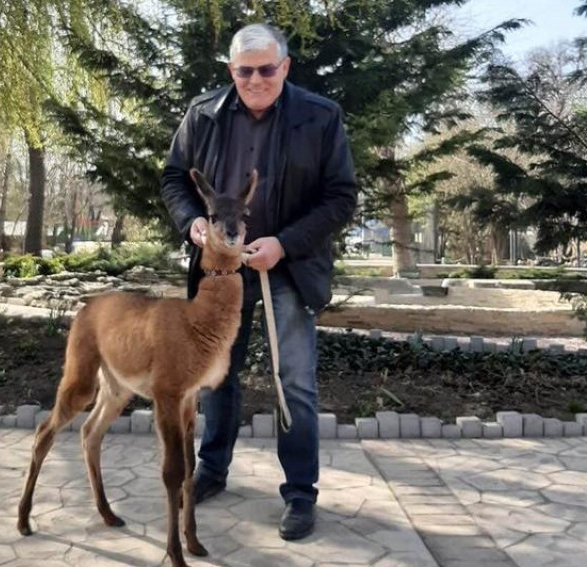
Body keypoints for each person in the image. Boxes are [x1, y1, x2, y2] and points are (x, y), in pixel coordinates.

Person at [160, 22, 358, 541]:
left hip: (288, 269)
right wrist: (193, 223)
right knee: (217, 377)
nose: (255, 79)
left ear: (285, 67)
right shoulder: (202, 114)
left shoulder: (320, 116)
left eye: (267, 69)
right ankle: (212, 469)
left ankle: (299, 493)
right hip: (219, 274)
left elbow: (341, 196)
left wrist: (284, 244)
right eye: (244, 71)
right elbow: (174, 178)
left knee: (293, 381)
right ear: (231, 70)